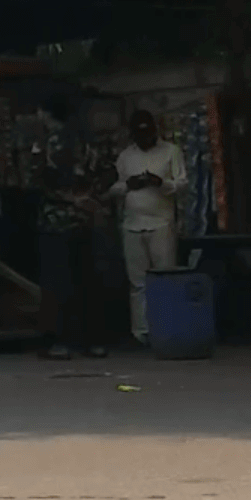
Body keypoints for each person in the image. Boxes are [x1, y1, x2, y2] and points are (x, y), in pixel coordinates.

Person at [31, 94, 107, 359]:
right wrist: (86, 199)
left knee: (58, 283)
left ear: (45, 112)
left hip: (56, 221)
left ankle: (61, 342)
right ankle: (94, 342)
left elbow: (37, 178)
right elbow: (104, 174)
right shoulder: (87, 141)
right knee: (88, 280)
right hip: (85, 220)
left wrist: (65, 198)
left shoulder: (47, 142)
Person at [108, 109, 187, 344]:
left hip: (161, 223)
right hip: (132, 224)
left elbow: (182, 184)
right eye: (139, 136)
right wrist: (129, 185)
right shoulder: (125, 157)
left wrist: (159, 183)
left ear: (155, 131)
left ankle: (168, 327)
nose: (144, 140)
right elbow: (113, 188)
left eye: (148, 134)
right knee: (138, 283)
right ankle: (141, 332)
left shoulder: (171, 152)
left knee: (165, 278)